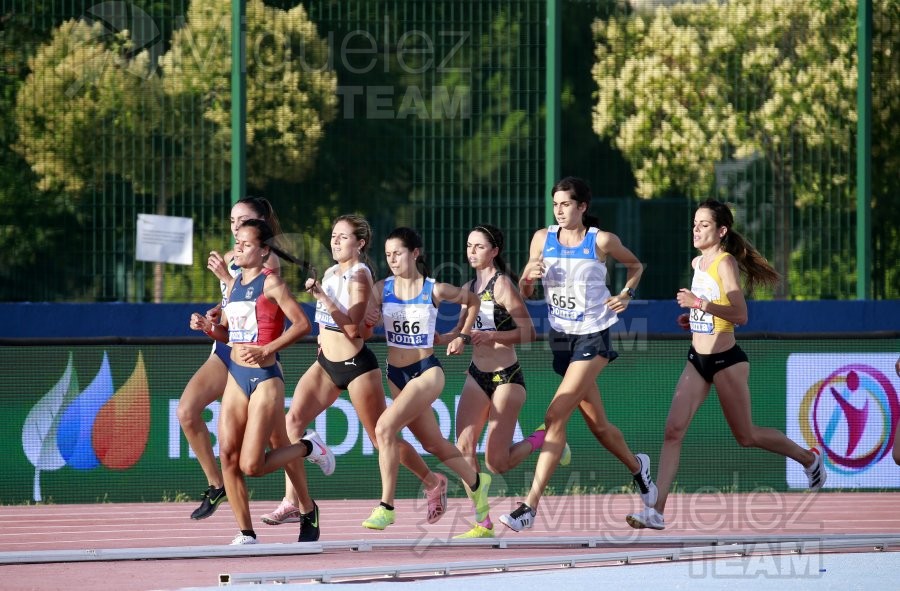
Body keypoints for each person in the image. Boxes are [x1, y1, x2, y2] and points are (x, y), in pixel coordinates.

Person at [626, 199, 827, 531]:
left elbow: (740, 314)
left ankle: (809, 458)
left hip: (726, 362)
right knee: (673, 430)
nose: (696, 230)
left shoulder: (725, 263)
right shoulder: (698, 263)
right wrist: (692, 317)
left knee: (746, 436)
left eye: (704, 225)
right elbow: (710, 311)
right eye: (694, 224)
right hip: (697, 359)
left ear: (721, 231)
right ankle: (657, 511)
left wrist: (699, 303)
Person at [259, 215, 449, 540]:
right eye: (333, 236)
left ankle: (433, 482)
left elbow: (353, 327)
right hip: (325, 365)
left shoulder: (360, 276)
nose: (334, 241)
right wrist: (321, 334)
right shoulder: (332, 272)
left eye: (342, 237)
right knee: (291, 423)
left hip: (356, 366)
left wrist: (323, 297)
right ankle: (293, 499)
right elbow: (327, 323)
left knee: (380, 439)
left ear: (359, 244)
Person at [499, 176, 656, 532]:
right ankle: (638, 468)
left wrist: (627, 293)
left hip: (593, 337)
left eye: (566, 204)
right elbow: (526, 289)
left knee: (555, 416)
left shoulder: (601, 241)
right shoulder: (542, 238)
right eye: (555, 204)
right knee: (598, 426)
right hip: (561, 338)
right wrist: (527, 277)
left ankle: (529, 507)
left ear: (582, 207)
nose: (560, 210)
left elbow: (636, 266)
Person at [190, 218, 321, 545]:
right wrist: (208, 328)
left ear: (263, 251)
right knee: (229, 457)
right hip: (236, 376)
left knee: (253, 464)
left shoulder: (271, 283)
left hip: (265, 378)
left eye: (247, 244)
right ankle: (247, 533)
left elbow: (302, 324)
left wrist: (268, 350)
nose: (239, 248)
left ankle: (308, 447)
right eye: (238, 243)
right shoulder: (233, 286)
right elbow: (231, 335)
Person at [362, 227, 492, 531]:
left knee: (384, 428)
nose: (392, 259)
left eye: (399, 253)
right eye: (388, 255)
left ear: (415, 253)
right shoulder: (381, 288)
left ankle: (386, 506)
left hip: (427, 372)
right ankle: (477, 482)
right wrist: (370, 321)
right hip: (396, 374)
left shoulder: (434, 289)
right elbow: (365, 327)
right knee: (434, 444)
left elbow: (473, 300)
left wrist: (460, 335)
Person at [449, 223, 569, 539]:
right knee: (462, 448)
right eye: (468, 246)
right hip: (477, 376)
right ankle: (483, 522)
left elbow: (529, 332)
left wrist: (491, 335)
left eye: (478, 246)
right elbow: (461, 330)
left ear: (494, 251)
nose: (471, 252)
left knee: (496, 463)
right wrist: (435, 338)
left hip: (506, 377)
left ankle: (542, 438)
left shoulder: (502, 286)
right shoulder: (468, 288)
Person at [178, 197, 283, 520]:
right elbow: (231, 307)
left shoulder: (271, 261)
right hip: (225, 350)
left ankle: (303, 505)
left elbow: (257, 302)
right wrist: (212, 319)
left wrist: (227, 279)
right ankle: (216, 484)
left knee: (278, 443)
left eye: (243, 219)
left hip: (256, 356)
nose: (236, 226)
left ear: (260, 224)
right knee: (186, 411)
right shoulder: (229, 258)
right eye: (232, 220)